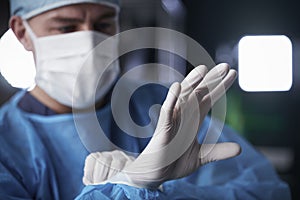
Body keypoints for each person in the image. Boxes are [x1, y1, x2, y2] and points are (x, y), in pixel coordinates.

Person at [0, 0, 291, 199]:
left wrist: (155, 190)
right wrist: (128, 186)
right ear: (22, 32)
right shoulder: (7, 144)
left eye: (103, 25)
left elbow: (266, 191)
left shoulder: (161, 107)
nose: (88, 39)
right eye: (66, 28)